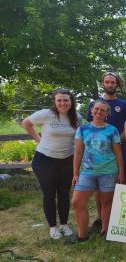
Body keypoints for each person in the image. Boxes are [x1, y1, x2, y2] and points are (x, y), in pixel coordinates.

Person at [22, 88, 81, 240]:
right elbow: (26, 123)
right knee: (49, 194)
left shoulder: (76, 117)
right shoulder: (46, 114)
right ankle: (53, 227)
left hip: (67, 160)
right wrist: (38, 139)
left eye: (66, 100)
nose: (63, 103)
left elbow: (80, 137)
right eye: (59, 100)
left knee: (64, 193)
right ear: (55, 101)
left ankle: (64, 224)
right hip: (45, 160)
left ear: (71, 101)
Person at [72, 100, 125, 241]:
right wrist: (75, 173)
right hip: (87, 172)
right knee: (77, 202)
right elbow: (78, 152)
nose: (99, 112)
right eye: (96, 109)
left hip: (108, 171)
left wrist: (121, 173)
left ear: (107, 113)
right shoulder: (82, 129)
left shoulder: (112, 130)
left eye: (103, 110)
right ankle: (82, 235)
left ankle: (105, 230)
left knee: (106, 202)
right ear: (91, 110)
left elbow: (118, 153)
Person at [87, 72, 126, 230]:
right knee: (100, 188)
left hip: (121, 149)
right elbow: (90, 127)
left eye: (113, 82)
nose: (110, 85)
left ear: (117, 84)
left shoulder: (125, 105)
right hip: (100, 153)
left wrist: (116, 140)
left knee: (122, 182)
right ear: (103, 84)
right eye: (107, 82)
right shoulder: (94, 104)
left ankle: (122, 219)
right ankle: (101, 219)